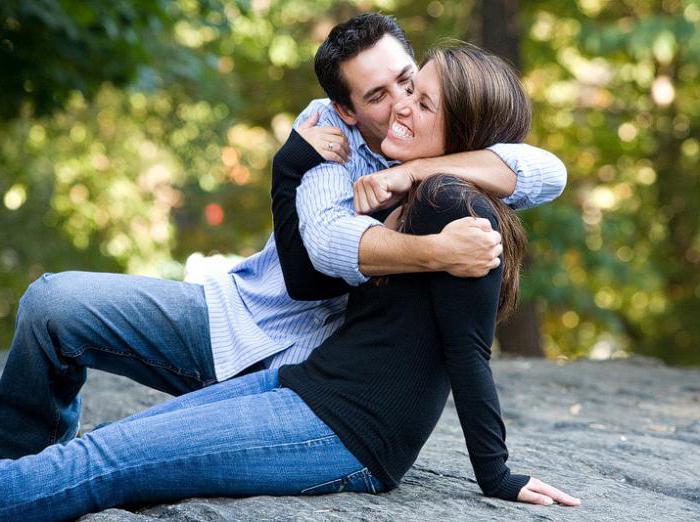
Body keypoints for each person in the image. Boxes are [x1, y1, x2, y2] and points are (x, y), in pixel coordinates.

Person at [0, 42, 581, 520]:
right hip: (298, 379)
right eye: (379, 95)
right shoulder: (334, 138)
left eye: (415, 92)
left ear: (468, 131)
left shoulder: (451, 202)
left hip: (345, 429)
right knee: (96, 440)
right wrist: (424, 244)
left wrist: (496, 474)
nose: (400, 105)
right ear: (346, 107)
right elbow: (325, 248)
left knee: (101, 463)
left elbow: (470, 347)